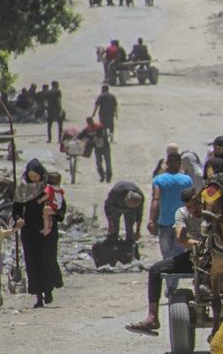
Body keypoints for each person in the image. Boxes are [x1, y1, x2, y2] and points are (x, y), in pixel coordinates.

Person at [128, 188, 202, 335]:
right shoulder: (182, 213)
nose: (193, 210)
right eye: (189, 207)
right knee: (155, 270)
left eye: (196, 205)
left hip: (216, 258)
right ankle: (153, 317)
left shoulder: (212, 213)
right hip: (195, 255)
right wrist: (200, 245)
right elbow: (181, 240)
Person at [12, 159, 63, 308]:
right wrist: (19, 219)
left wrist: (52, 212)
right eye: (31, 176)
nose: (34, 179)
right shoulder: (22, 189)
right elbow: (16, 209)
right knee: (33, 263)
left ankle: (48, 290)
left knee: (48, 260)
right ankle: (39, 297)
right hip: (29, 231)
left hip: (48, 230)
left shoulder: (51, 187)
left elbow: (61, 208)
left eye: (36, 176)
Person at [150, 152, 193, 296]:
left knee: (167, 256)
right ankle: (172, 286)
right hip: (182, 223)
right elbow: (192, 200)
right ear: (180, 163)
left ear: (167, 163)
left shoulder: (159, 179)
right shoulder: (187, 179)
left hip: (164, 223)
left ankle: (171, 286)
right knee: (178, 256)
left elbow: (155, 200)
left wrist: (151, 220)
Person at [80, 116, 113, 182]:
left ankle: (108, 177)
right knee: (98, 163)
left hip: (105, 146)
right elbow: (80, 135)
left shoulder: (99, 127)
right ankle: (102, 176)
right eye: (89, 122)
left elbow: (101, 134)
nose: (90, 124)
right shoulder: (87, 129)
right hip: (97, 148)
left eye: (90, 122)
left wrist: (93, 138)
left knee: (107, 162)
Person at [38, 171, 65, 238]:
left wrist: (40, 200)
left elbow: (47, 195)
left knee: (45, 215)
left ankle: (46, 228)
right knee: (50, 217)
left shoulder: (49, 188)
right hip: (57, 207)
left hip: (51, 206)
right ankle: (49, 228)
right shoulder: (59, 188)